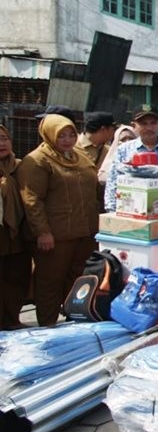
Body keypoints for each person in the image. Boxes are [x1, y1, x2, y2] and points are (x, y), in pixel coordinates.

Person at [16, 115, 99, 326]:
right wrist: (43, 232)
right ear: (49, 134)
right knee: (49, 283)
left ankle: (74, 321)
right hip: (56, 237)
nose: (68, 139)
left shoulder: (79, 156)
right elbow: (32, 200)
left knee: (78, 281)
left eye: (71, 134)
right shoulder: (37, 160)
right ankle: (48, 326)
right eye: (61, 135)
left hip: (84, 232)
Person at [105, 106, 158, 212]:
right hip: (130, 210)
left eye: (153, 123)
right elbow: (113, 181)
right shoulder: (124, 150)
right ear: (134, 126)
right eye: (143, 123)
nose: (149, 128)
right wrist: (111, 210)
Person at [0, 125, 31, 329]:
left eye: (4, 138)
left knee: (16, 277)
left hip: (18, 232)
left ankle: (12, 320)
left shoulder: (21, 167)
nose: (1, 144)